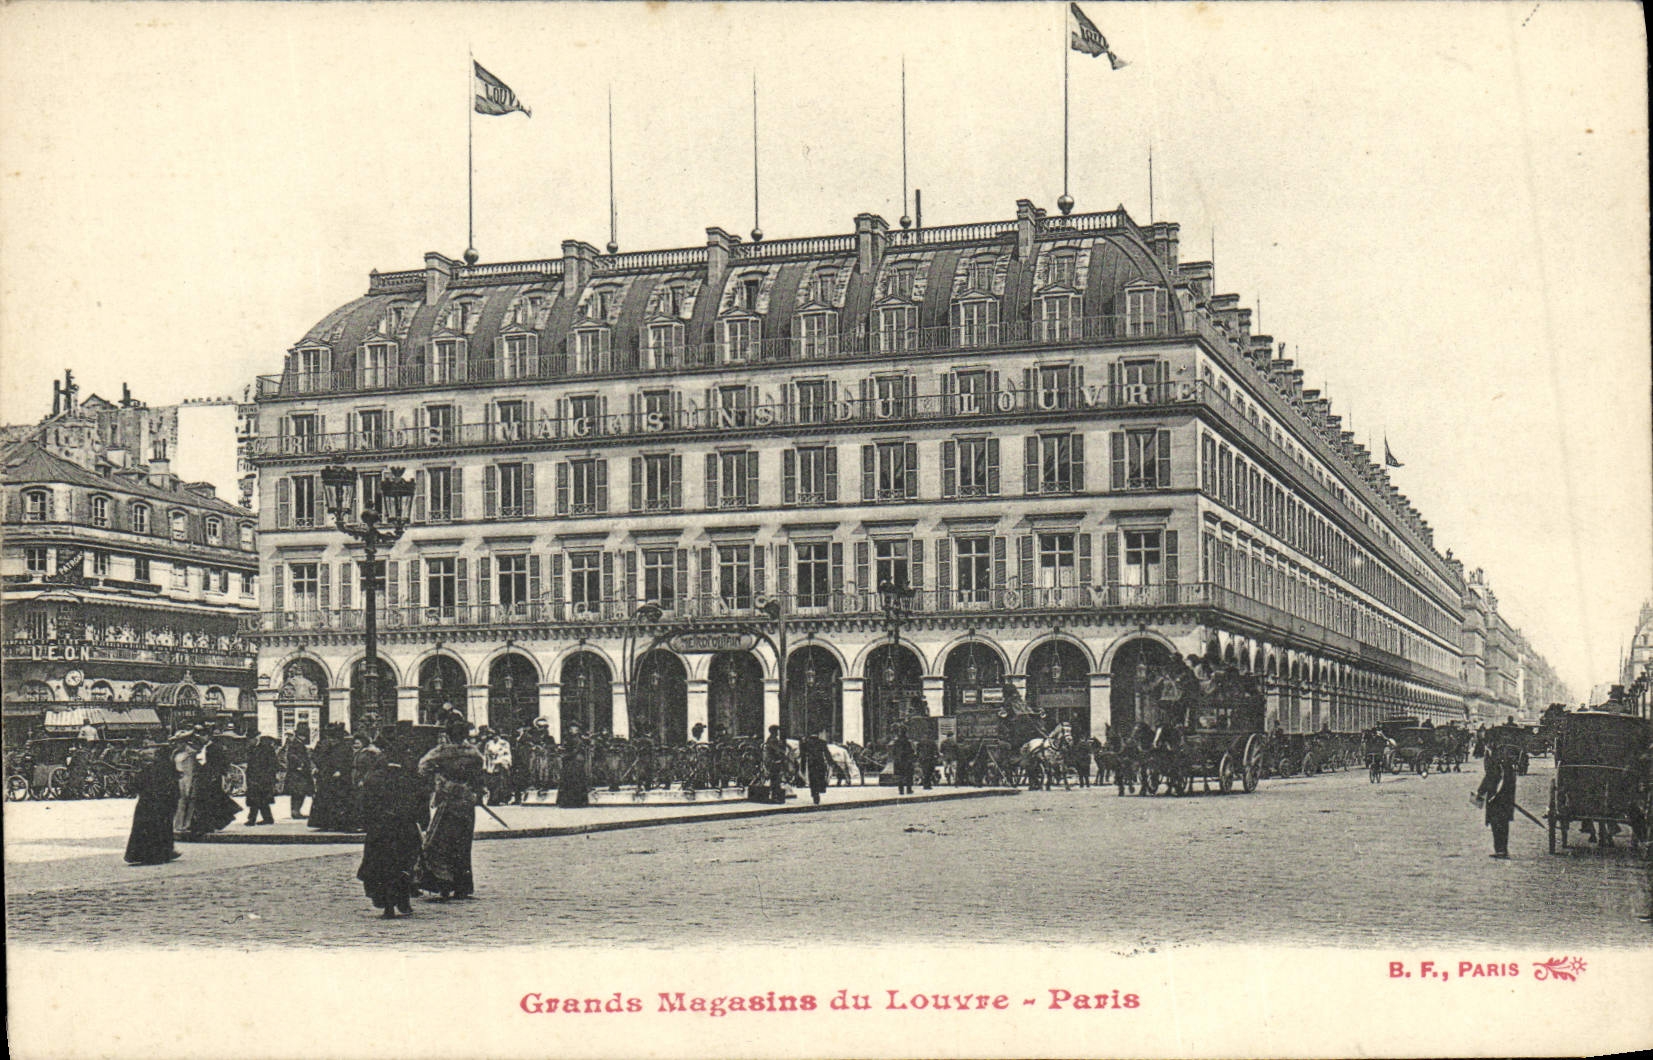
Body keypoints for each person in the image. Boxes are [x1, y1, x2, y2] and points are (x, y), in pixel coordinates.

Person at [356, 733, 427, 919]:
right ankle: (403, 900)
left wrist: (367, 823)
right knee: (404, 864)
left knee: (380, 865)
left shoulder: (373, 778)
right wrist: (421, 821)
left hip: (380, 829)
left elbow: (364, 804)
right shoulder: (410, 778)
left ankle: (386, 903)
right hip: (404, 828)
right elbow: (421, 801)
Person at [415, 720, 486, 900]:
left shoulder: (441, 752)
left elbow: (422, 768)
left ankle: (443, 882)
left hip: (448, 799)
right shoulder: (474, 753)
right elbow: (479, 776)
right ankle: (462, 885)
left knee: (439, 842)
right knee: (462, 843)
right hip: (466, 801)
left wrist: (440, 778)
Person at [125, 742, 183, 865]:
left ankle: (140, 854)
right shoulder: (169, 769)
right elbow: (174, 789)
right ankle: (163, 852)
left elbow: (135, 786)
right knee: (163, 828)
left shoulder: (148, 769)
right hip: (163, 803)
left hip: (146, 803)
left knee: (144, 829)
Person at [1474, 742, 1519, 858]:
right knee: (1502, 823)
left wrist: (1480, 792)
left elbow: (1490, 776)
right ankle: (1501, 849)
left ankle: (1501, 850)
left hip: (1497, 796)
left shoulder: (1495, 759)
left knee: (1497, 823)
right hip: (1504, 796)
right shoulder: (1500, 758)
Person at [308, 724, 355, 832]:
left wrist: (341, 770)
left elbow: (348, 761)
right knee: (325, 799)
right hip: (326, 775)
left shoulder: (344, 746)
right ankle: (325, 822)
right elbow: (316, 757)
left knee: (338, 800)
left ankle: (337, 823)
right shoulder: (323, 745)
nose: (331, 739)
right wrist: (317, 767)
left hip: (339, 778)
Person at [243, 734, 278, 826]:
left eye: (249, 740)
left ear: (255, 738)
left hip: (263, 778)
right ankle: (267, 818)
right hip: (254, 778)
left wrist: (268, 777)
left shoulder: (266, 749)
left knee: (257, 799)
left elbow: (273, 764)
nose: (249, 742)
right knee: (261, 799)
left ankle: (252, 819)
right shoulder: (252, 748)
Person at [280, 729, 313, 819]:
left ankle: (295, 811)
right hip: (298, 772)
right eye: (288, 735)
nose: (288, 737)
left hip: (297, 772)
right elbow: (292, 756)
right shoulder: (295, 744)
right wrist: (300, 764)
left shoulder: (294, 743)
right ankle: (295, 811)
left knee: (298, 792)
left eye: (290, 735)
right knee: (299, 792)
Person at [557, 725, 591, 807]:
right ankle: (576, 802)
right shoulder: (570, 739)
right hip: (571, 762)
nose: (572, 731)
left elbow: (575, 750)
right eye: (571, 729)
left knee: (573, 781)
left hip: (573, 762)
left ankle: (572, 802)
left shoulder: (578, 740)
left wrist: (565, 755)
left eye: (574, 729)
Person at [801, 729, 833, 805]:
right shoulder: (822, 742)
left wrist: (802, 765)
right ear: (818, 734)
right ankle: (818, 792)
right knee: (820, 778)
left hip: (811, 764)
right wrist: (831, 762)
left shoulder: (806, 743)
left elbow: (803, 755)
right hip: (820, 763)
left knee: (812, 780)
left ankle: (814, 794)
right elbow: (827, 754)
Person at [763, 725, 789, 803]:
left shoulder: (771, 739)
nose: (778, 733)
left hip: (773, 762)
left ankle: (775, 796)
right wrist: (783, 753)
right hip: (774, 762)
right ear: (773, 732)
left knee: (775, 780)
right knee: (776, 780)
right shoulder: (772, 740)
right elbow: (777, 751)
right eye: (776, 731)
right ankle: (775, 797)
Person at [892, 725, 916, 795]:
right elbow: (911, 751)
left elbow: (894, 751)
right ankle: (909, 789)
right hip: (906, 761)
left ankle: (901, 790)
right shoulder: (908, 741)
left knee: (900, 776)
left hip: (898, 761)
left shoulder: (896, 741)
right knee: (908, 775)